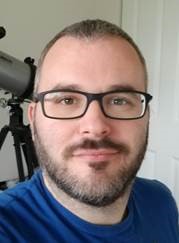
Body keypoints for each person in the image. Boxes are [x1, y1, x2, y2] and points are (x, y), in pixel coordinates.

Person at [0, 19, 178, 243]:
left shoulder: (161, 202)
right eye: (67, 100)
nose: (95, 127)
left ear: (147, 116)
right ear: (34, 119)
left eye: (119, 100)